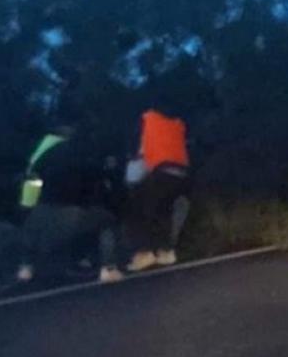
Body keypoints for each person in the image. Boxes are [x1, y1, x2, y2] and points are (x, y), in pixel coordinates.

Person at [22, 124, 124, 283]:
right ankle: (108, 268)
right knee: (106, 220)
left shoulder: (53, 150)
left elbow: (35, 170)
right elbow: (98, 179)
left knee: (34, 231)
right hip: (70, 212)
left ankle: (26, 267)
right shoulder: (88, 154)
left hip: (42, 210)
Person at [125, 106, 191, 272]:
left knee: (141, 210)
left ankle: (144, 252)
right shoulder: (176, 122)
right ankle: (166, 251)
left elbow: (141, 154)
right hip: (182, 172)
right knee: (164, 211)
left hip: (161, 170)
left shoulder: (146, 119)